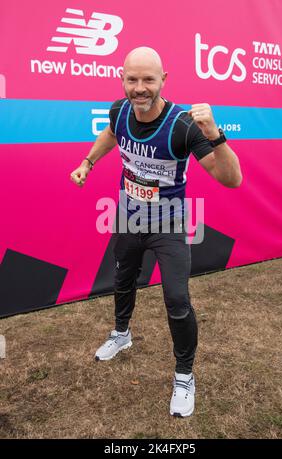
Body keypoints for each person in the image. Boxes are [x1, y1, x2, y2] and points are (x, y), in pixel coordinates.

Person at [70, 47, 242, 417]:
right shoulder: (118, 110)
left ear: (164, 79)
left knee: (177, 301)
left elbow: (232, 179)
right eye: (133, 79)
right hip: (128, 217)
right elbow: (111, 134)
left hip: (170, 224)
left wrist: (215, 134)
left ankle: (184, 375)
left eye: (149, 79)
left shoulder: (182, 124)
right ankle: (122, 334)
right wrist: (88, 162)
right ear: (122, 79)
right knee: (122, 279)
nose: (140, 88)